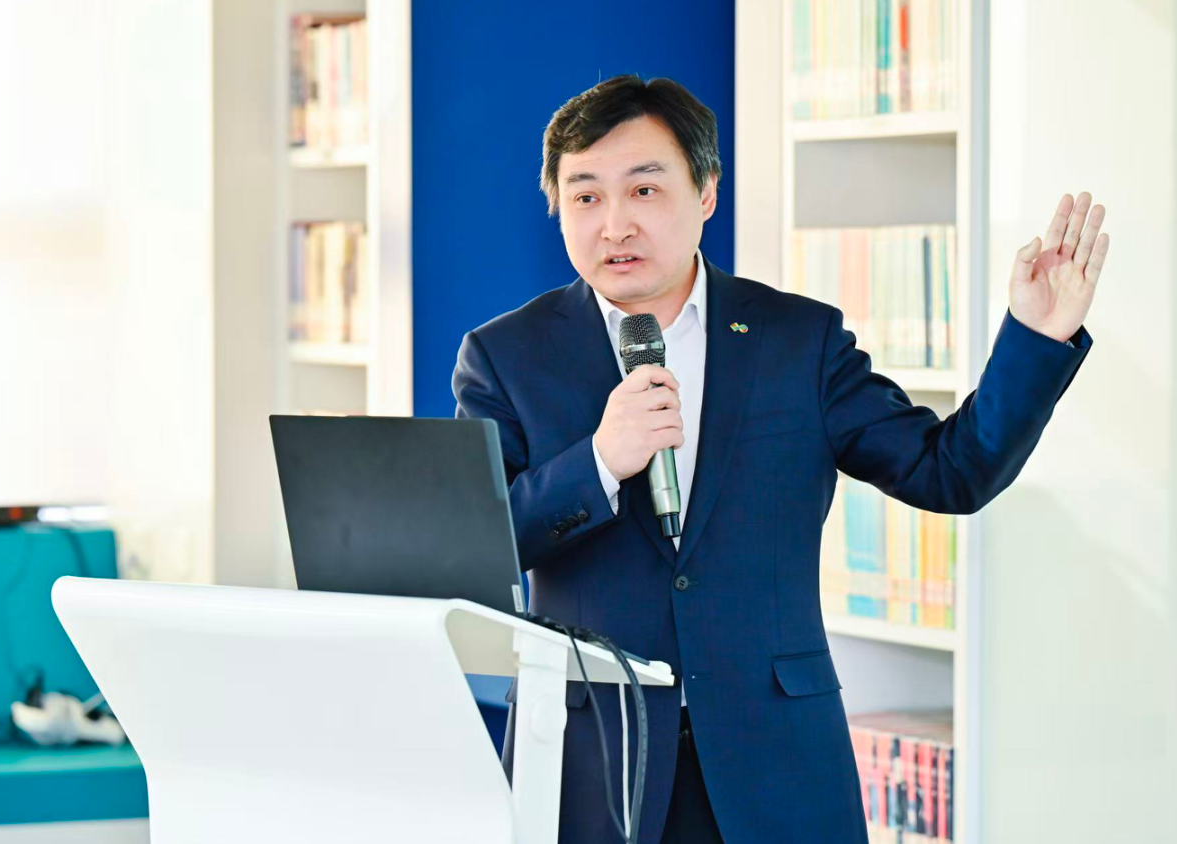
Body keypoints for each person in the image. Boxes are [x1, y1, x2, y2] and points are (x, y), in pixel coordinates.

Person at [452, 74, 1108, 844]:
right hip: (592, 766)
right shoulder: (505, 356)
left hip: (778, 769)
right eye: (586, 196)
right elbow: (476, 549)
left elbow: (951, 471)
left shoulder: (799, 340)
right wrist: (598, 462)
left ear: (706, 192)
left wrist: (1036, 338)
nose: (614, 224)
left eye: (644, 190)